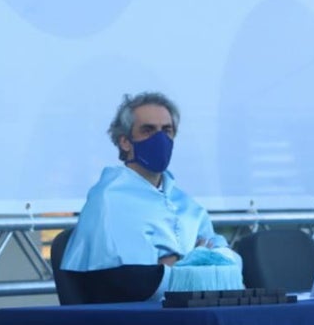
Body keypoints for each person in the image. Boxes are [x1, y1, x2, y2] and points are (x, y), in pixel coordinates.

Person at [61, 91, 235, 302]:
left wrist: (176, 264)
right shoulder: (109, 199)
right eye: (148, 130)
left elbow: (228, 265)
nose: (160, 138)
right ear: (125, 142)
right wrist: (194, 262)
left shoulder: (186, 203)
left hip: (195, 310)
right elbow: (134, 280)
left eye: (167, 130)